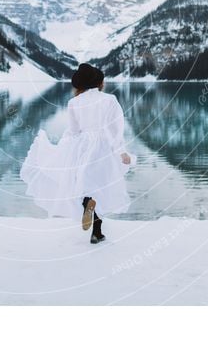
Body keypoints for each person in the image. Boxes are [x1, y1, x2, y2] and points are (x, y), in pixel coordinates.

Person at [20, 63, 136, 244]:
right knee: (99, 187)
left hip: (81, 146)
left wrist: (62, 147)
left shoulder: (74, 102)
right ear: (99, 83)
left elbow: (74, 131)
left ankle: (88, 210)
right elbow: (115, 130)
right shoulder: (109, 100)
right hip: (103, 147)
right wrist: (121, 152)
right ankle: (96, 232)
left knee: (81, 185)